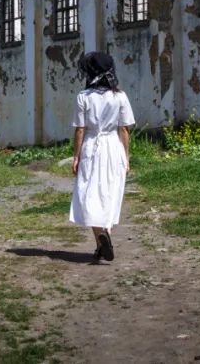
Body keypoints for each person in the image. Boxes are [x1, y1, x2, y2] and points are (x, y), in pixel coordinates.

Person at [69, 51, 135, 262]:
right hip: (113, 147)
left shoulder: (83, 97)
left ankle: (100, 240)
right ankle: (105, 232)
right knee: (110, 192)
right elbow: (124, 129)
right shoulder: (120, 96)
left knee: (88, 193)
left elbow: (80, 129)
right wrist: (126, 157)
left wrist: (76, 156)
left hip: (91, 147)